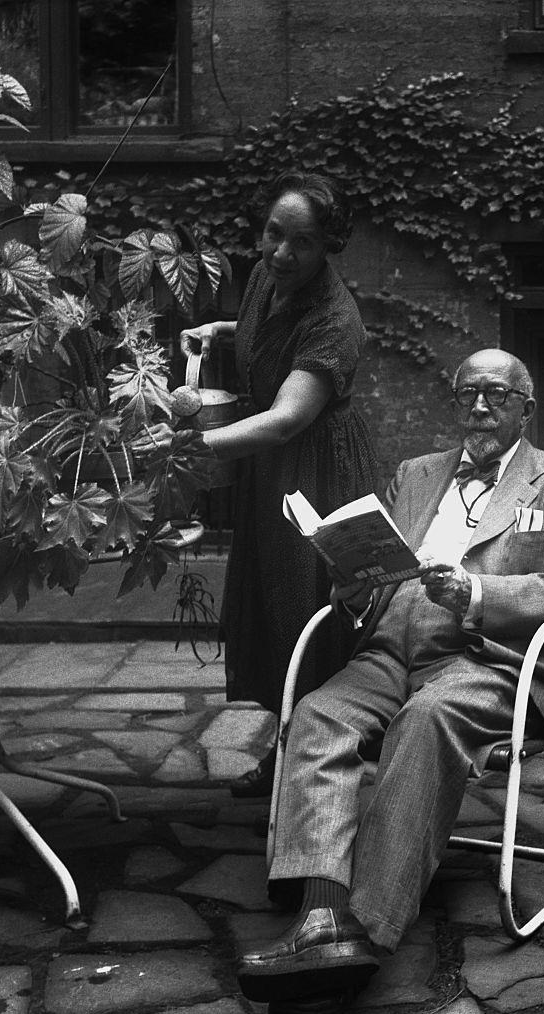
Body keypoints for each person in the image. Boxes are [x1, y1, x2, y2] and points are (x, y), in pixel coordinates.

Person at [235, 348, 544, 1014]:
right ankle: (320, 918)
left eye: (496, 394)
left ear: (526, 406)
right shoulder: (415, 474)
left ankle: (364, 931)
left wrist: (477, 591)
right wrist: (349, 587)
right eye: (467, 393)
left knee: (427, 717)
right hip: (388, 647)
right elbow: (378, 568)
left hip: (489, 656)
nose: (479, 407)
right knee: (320, 714)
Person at [180, 171, 378, 798]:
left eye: (303, 243)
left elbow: (290, 417)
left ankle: (320, 749)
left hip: (318, 470)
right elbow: (270, 333)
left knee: (307, 604)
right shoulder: (269, 276)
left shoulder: (336, 319)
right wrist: (221, 329)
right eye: (273, 234)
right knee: (270, 600)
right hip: (273, 469)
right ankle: (290, 741)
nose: (282, 252)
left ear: (328, 249)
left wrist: (186, 446)